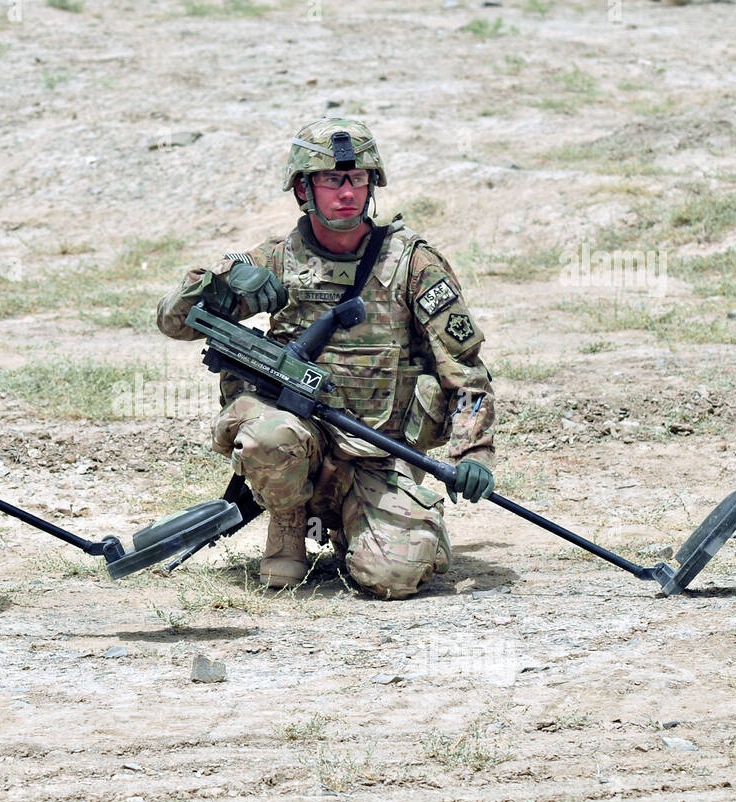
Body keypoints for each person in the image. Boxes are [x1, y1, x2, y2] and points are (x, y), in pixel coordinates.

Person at [157, 118, 496, 598]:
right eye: (332, 180)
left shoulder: (410, 262)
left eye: (358, 179)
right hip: (299, 440)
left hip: (379, 447)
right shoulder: (276, 260)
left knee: (394, 577)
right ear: (303, 188)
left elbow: (465, 369)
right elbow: (173, 322)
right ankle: (289, 521)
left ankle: (349, 525)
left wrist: (473, 451)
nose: (347, 193)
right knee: (265, 435)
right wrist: (223, 282)